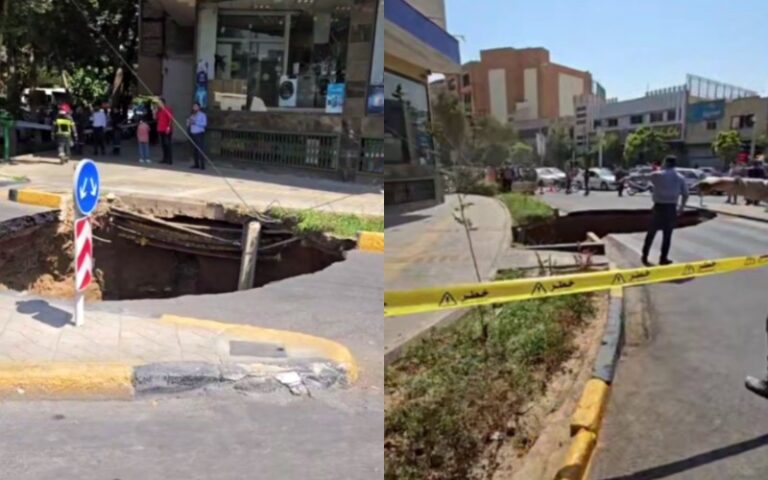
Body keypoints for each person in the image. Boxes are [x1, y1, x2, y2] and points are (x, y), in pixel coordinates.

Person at [641, 155, 689, 266]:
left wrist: (655, 169)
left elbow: (644, 178)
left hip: (659, 207)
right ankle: (663, 258)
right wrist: (681, 207)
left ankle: (645, 255)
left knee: (651, 233)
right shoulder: (680, 177)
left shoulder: (658, 175)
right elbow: (685, 194)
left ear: (666, 163)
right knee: (667, 236)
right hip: (671, 208)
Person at [187, 102, 207, 170]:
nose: (194, 108)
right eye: (193, 106)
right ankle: (196, 164)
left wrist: (195, 122)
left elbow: (204, 124)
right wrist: (189, 122)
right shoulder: (192, 115)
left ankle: (202, 165)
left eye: (196, 106)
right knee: (194, 150)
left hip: (199, 133)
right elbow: (188, 124)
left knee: (200, 149)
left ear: (199, 107)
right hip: (193, 133)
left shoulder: (202, 115)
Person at [156, 98, 174, 164]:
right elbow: (156, 118)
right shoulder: (159, 111)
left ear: (163, 103)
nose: (158, 104)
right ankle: (165, 158)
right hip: (161, 129)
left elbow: (170, 119)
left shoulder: (167, 109)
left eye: (159, 103)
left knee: (168, 144)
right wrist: (156, 111)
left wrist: (168, 127)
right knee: (163, 145)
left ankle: (169, 160)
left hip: (166, 130)